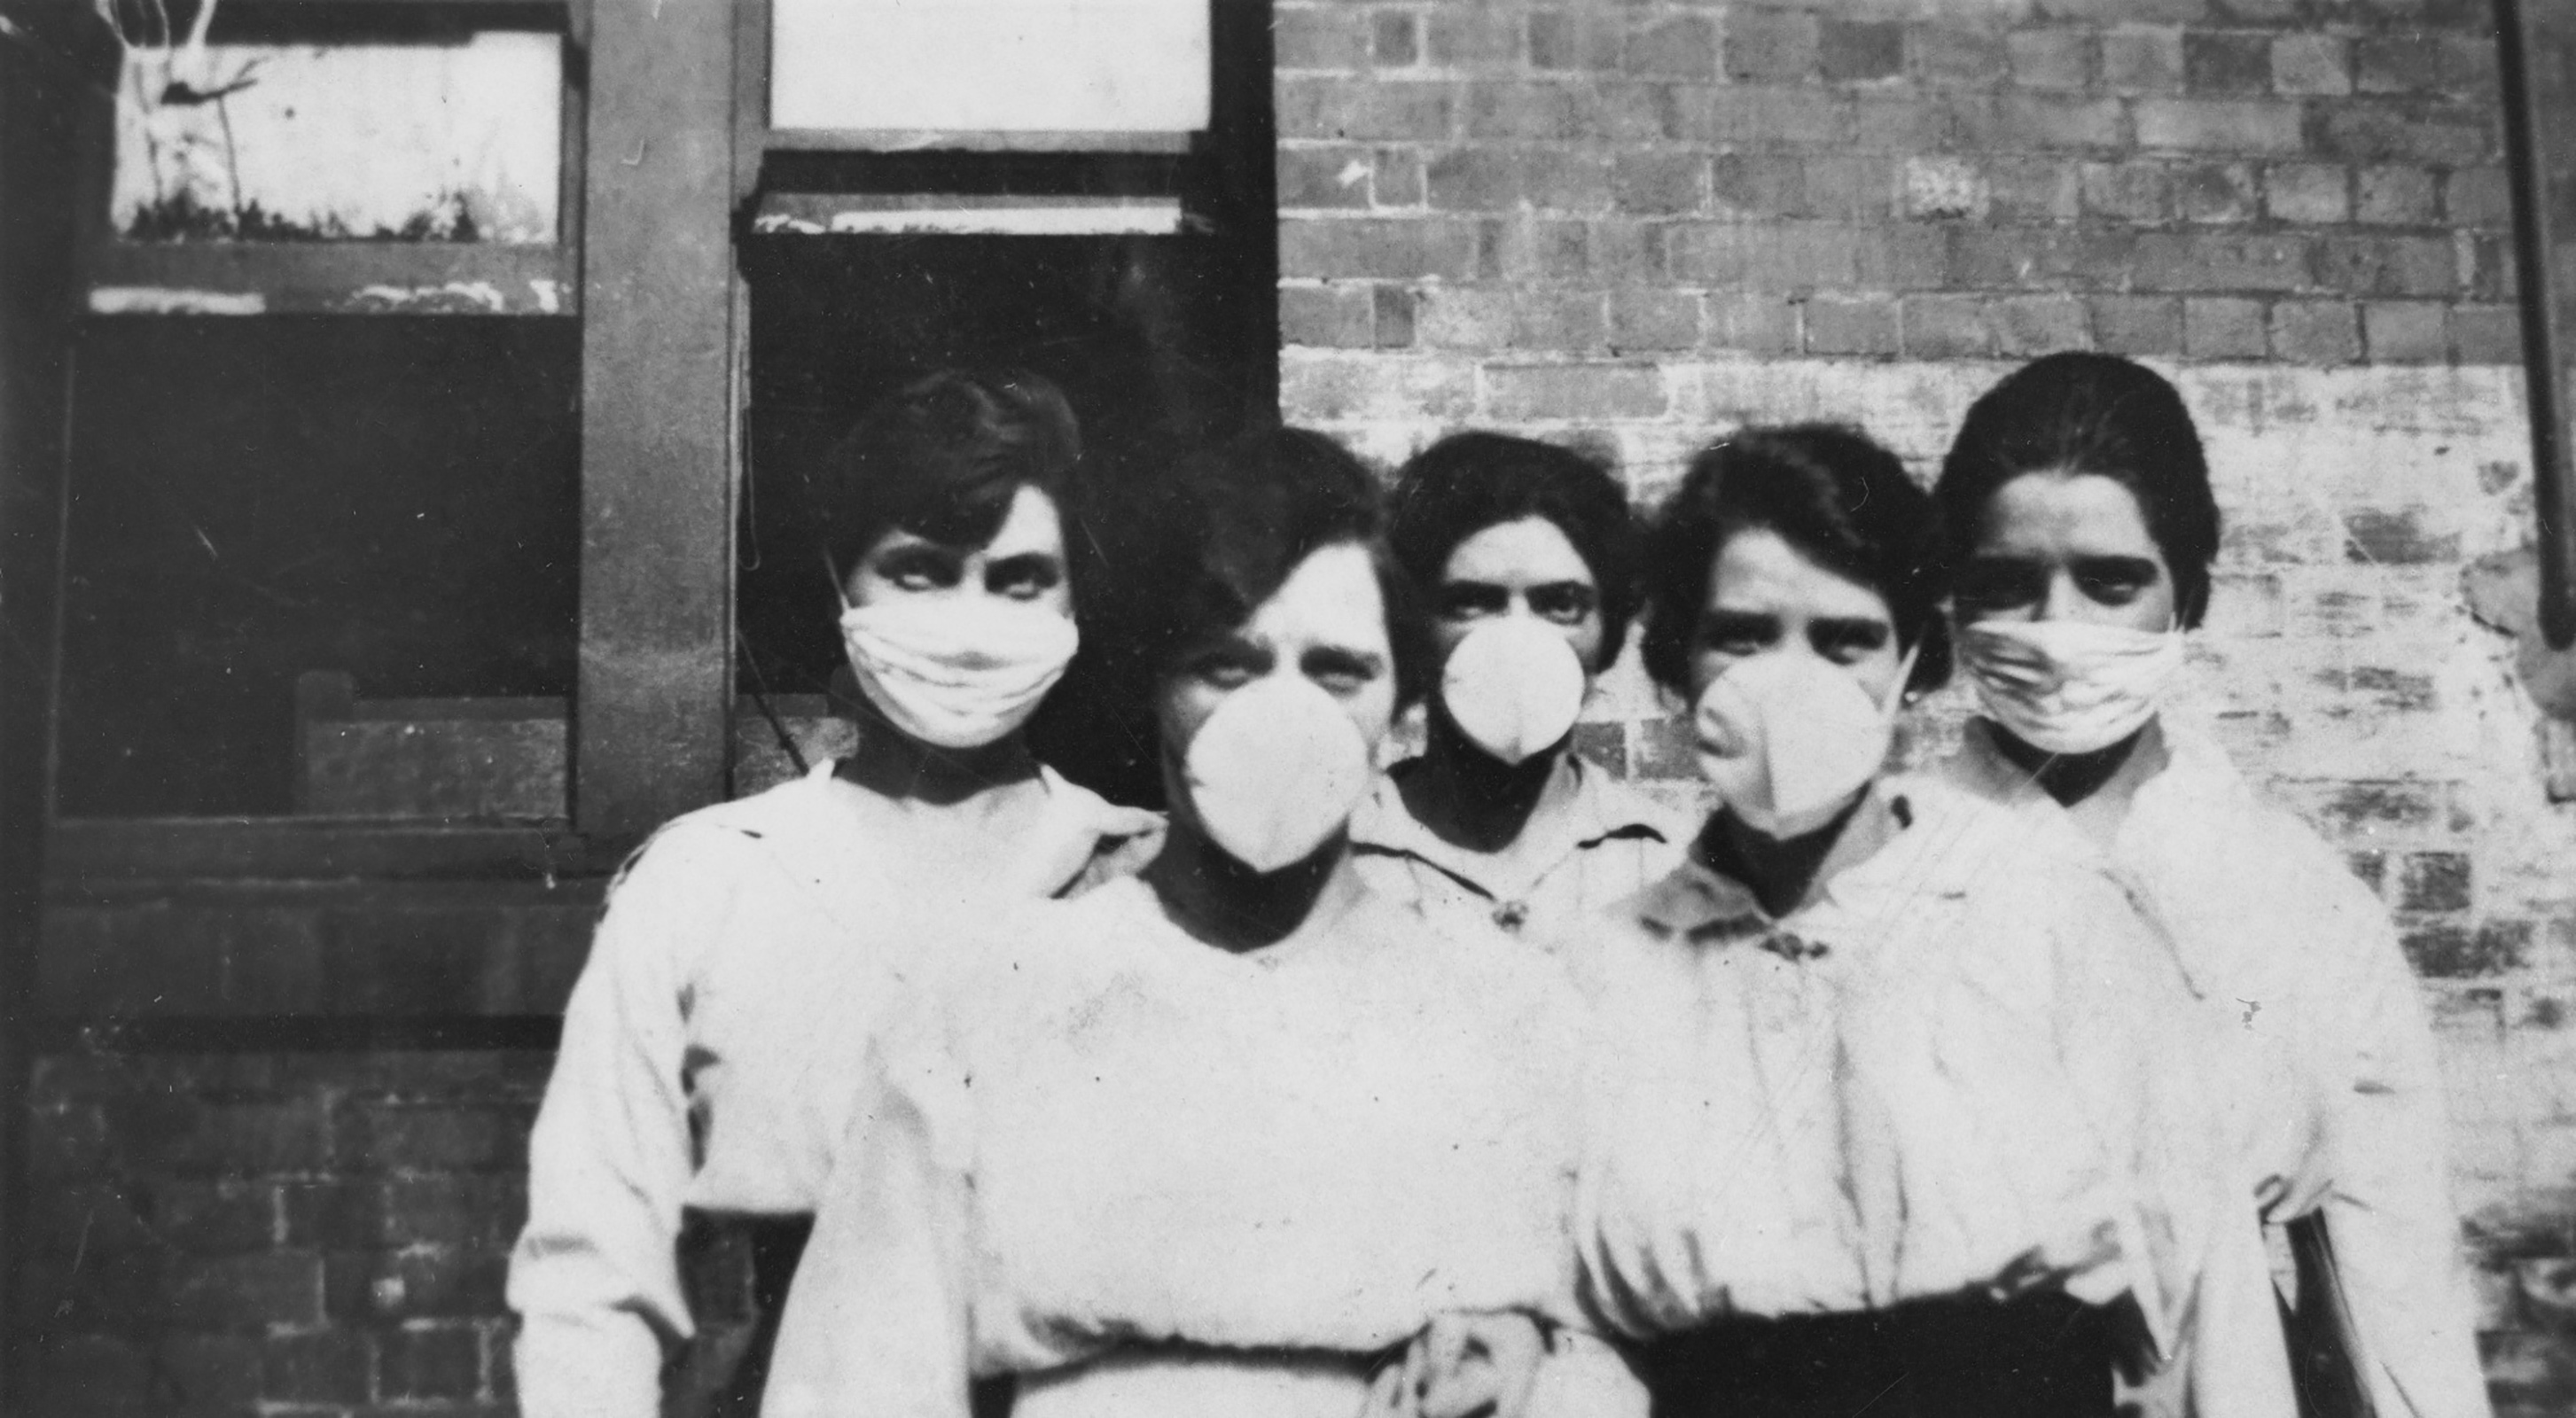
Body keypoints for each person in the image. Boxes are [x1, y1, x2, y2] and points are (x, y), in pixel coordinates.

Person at [761, 427, 1643, 1418]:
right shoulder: (994, 1000)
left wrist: (1529, 1356)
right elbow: (856, 1377)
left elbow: (1597, 1355)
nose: (1282, 712)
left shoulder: (1508, 1012)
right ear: (1151, 682)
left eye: (1338, 670)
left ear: (1400, 694)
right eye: (1226, 665)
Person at [1572, 425, 2297, 1418]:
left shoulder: (2042, 913)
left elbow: (2204, 1291)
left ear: (1910, 661)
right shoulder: (1601, 970)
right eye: (1742, 635)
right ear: (1674, 663)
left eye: (1844, 640)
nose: (1791, 682)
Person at [508, 370, 1163, 1418]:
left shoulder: (1137, 875)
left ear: (1076, 595)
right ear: (839, 586)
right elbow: (592, 1272)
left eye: (1019, 579)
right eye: (918, 572)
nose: (968, 624)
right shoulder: (710, 882)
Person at [1929, 352, 2492, 1418]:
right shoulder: (1878, 875)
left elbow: (2395, 1280)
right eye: (2006, 583)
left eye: (2108, 580)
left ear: (2185, 592)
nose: (2057, 631)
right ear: (1953, 600)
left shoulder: (2294, 897)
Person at [1351, 432, 1688, 952]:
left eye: (1559, 604)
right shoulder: (1340, 860)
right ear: (1415, 625)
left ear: (1608, 632)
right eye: (1472, 603)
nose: (1517, 639)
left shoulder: (1668, 859)